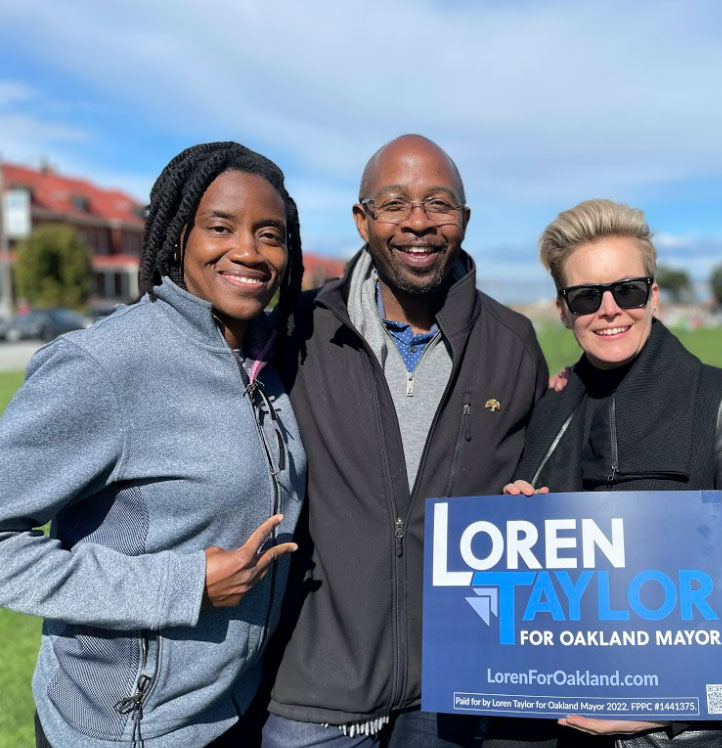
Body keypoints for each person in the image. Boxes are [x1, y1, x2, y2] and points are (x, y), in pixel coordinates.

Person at [0, 141, 307, 748]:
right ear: (177, 236)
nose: (248, 249)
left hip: (234, 713)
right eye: (221, 227)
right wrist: (182, 585)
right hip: (124, 732)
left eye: (269, 234)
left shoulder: (266, 361)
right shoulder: (106, 365)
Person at [262, 134, 549, 748]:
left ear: (464, 221)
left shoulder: (513, 341)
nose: (418, 223)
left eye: (438, 205)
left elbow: (538, 489)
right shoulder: (298, 331)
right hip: (318, 689)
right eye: (395, 204)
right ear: (362, 220)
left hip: (456, 689)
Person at [485, 199, 722, 748]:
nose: (608, 310)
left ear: (652, 294)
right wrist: (519, 531)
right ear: (563, 309)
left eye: (626, 290)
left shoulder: (717, 398)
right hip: (565, 724)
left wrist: (668, 695)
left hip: (682, 734)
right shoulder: (551, 407)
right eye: (585, 297)